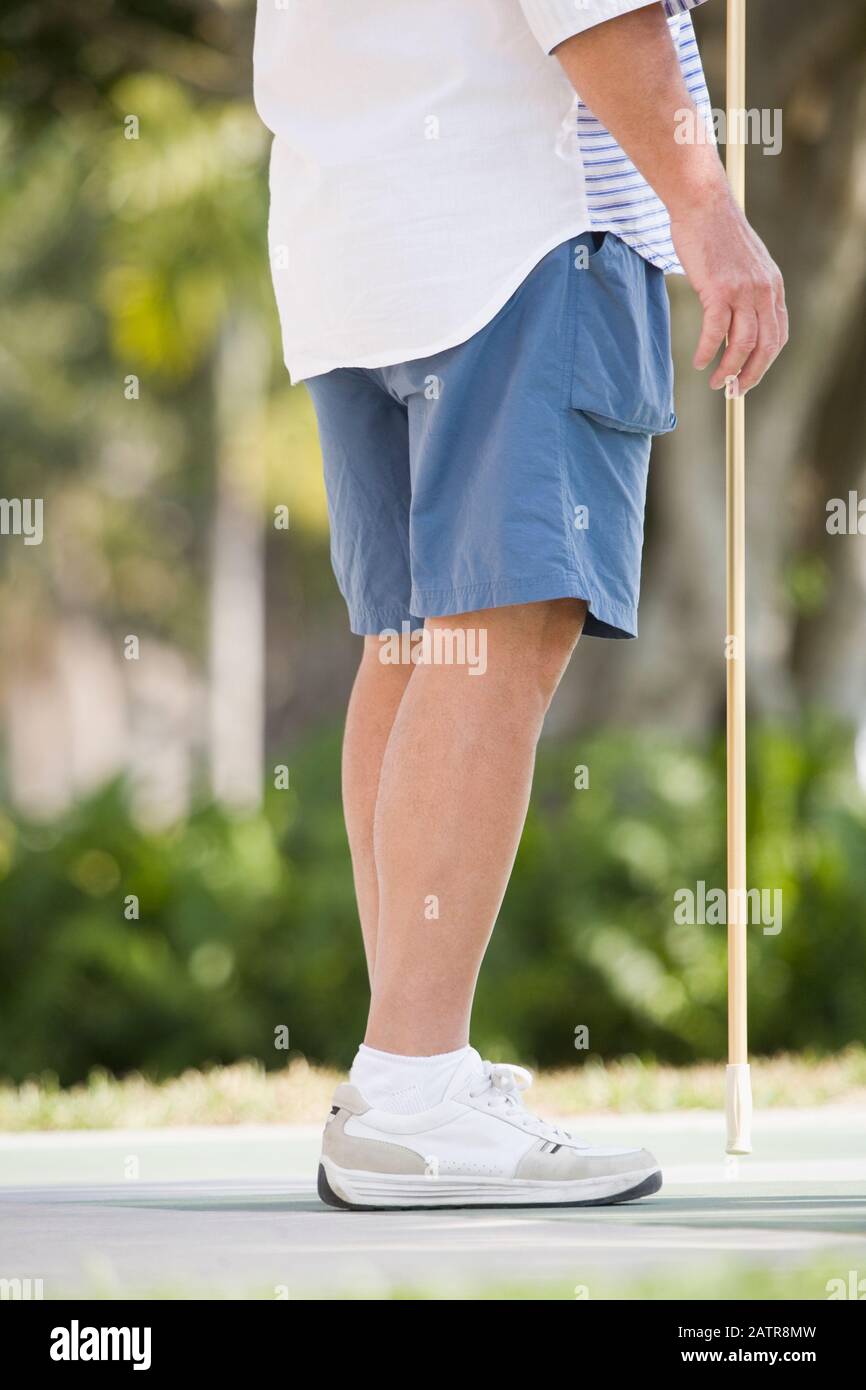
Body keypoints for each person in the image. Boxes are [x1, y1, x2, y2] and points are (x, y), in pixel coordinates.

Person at [253, 0, 786, 1209]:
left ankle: (405, 1078)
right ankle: (412, 1086)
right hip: (520, 224)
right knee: (499, 624)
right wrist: (705, 209)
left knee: (416, 637)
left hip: (355, 228)